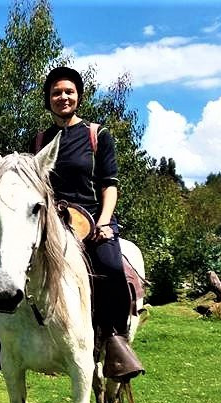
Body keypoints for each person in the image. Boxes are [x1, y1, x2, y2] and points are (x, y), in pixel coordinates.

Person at [33, 66, 143, 380]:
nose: (62, 97)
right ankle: (6, 337)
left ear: (78, 96)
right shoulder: (40, 139)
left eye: (68, 91)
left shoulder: (97, 134)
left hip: (94, 219)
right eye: (56, 92)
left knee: (110, 267)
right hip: (53, 222)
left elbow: (110, 183)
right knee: (12, 263)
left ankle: (115, 339)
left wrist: (104, 223)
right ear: (48, 99)